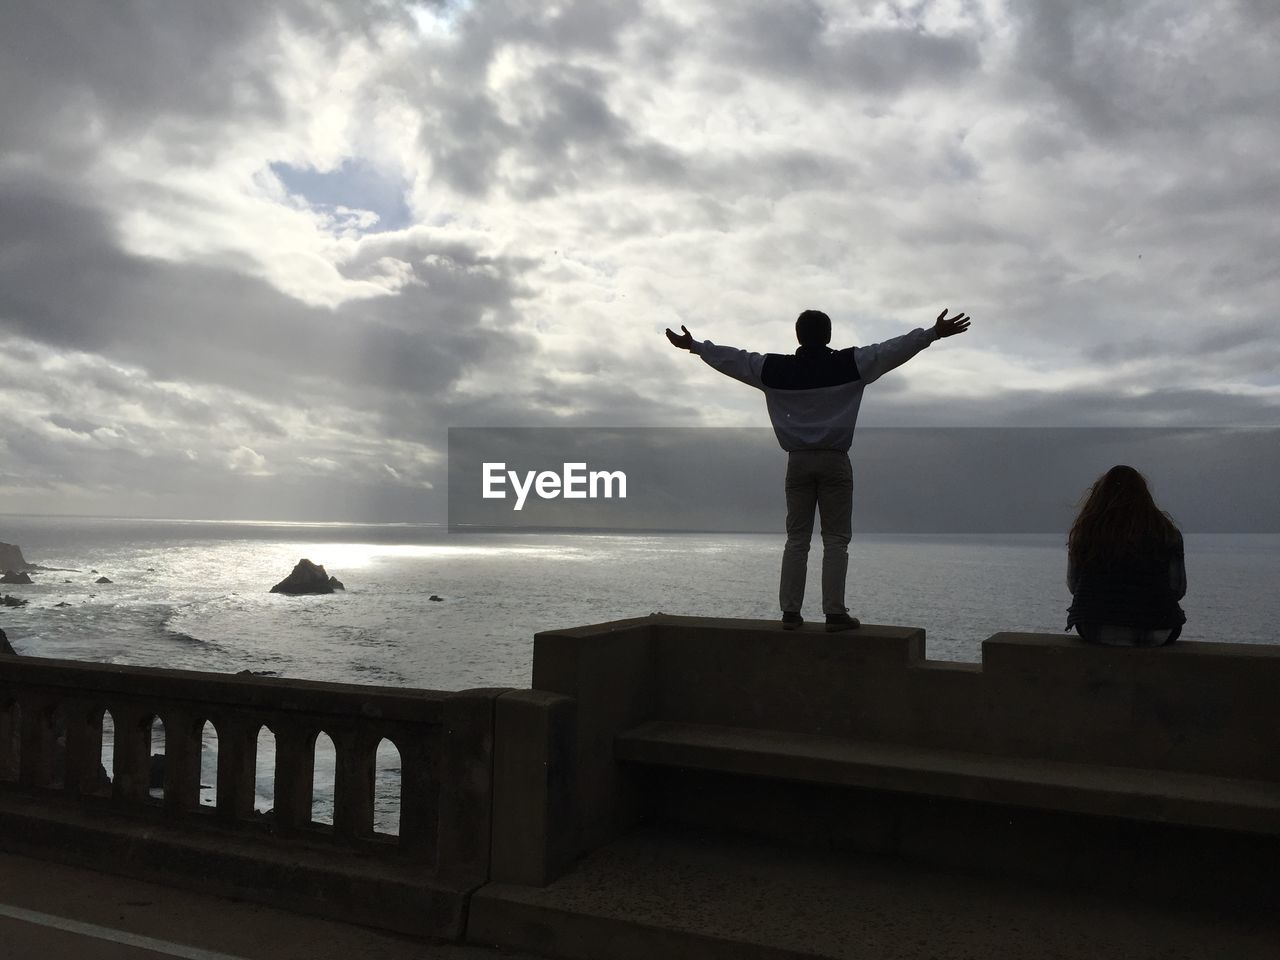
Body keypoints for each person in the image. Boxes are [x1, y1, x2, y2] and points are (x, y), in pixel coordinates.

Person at [665, 307, 971, 631]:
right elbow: (890, 351)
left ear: (798, 335)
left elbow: (736, 360)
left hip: (797, 461)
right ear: (828, 336)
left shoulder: (774, 369)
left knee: (796, 540)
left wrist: (696, 346)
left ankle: (790, 613)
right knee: (836, 540)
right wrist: (932, 333)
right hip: (834, 460)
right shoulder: (850, 364)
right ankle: (834, 613)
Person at [1065, 465, 1186, 646]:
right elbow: (1177, 589)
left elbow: (1075, 586)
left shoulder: (1085, 533)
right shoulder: (1167, 533)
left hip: (1095, 628)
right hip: (1157, 630)